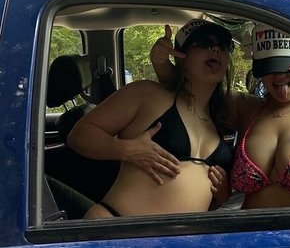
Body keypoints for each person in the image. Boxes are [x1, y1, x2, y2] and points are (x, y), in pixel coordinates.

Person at [151, 23, 290, 209]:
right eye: (270, 69)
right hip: (246, 233)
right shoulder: (248, 109)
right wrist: (161, 63)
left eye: (288, 68)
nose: (279, 77)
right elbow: (189, 92)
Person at [67, 19, 234, 218]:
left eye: (223, 45)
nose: (216, 49)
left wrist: (222, 196)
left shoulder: (221, 116)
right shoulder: (147, 93)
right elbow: (79, 135)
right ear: (180, 56)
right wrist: (126, 149)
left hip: (182, 234)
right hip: (118, 227)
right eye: (204, 43)